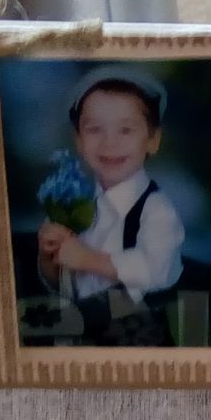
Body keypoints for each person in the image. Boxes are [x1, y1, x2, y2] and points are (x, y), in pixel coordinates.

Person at [37, 67, 185, 347]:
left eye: (126, 130)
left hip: (138, 348)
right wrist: (50, 259)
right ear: (78, 140)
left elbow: (155, 270)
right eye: (94, 130)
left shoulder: (157, 211)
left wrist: (88, 259)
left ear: (153, 140)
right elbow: (69, 284)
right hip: (82, 341)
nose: (109, 142)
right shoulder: (74, 206)